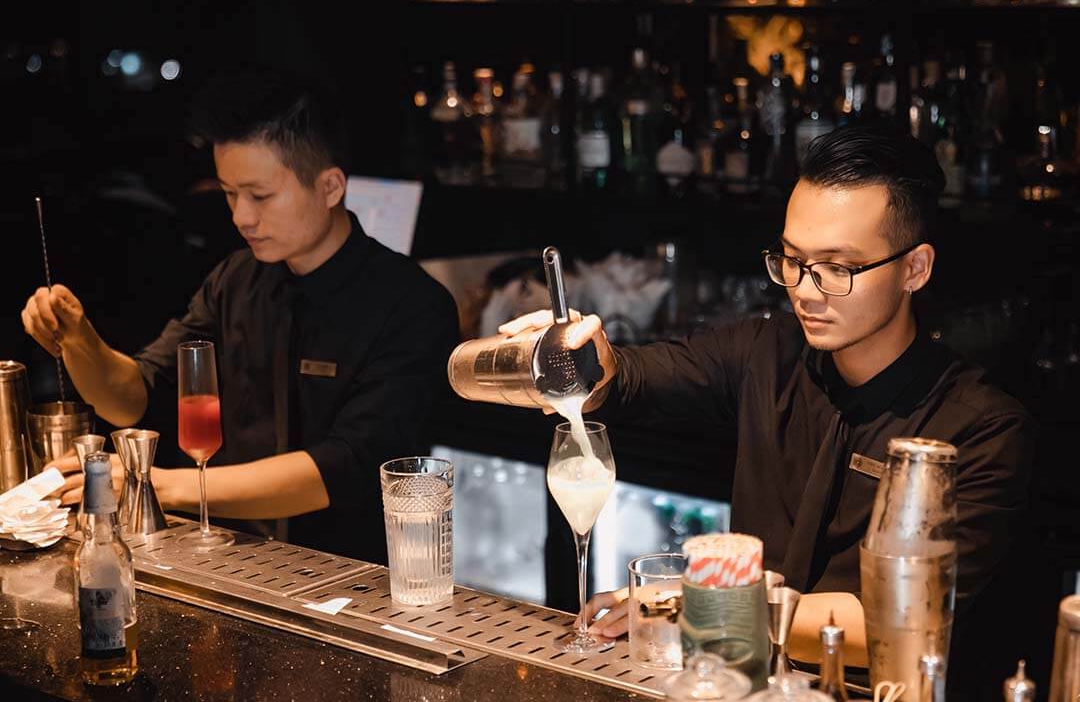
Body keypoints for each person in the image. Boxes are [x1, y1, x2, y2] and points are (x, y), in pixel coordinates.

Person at [499, 125, 1033, 671]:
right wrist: (585, 359)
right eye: (792, 259)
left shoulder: (981, 428)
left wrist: (697, 608)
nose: (804, 289)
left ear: (914, 269)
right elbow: (631, 377)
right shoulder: (767, 351)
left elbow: (897, 622)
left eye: (838, 268)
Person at [20, 71, 460, 563]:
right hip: (234, 560)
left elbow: (344, 467)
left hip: (359, 579)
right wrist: (80, 340)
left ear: (331, 186)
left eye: (259, 195)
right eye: (229, 193)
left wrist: (158, 483)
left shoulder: (411, 304)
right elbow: (134, 397)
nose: (240, 217)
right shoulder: (236, 279)